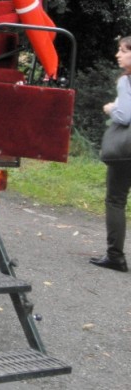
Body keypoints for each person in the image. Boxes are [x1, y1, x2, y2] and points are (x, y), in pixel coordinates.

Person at [91, 35, 131, 272]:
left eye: (123, 50)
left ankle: (115, 256)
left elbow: (125, 116)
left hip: (126, 152)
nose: (118, 55)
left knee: (115, 200)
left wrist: (111, 108)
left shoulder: (126, 81)